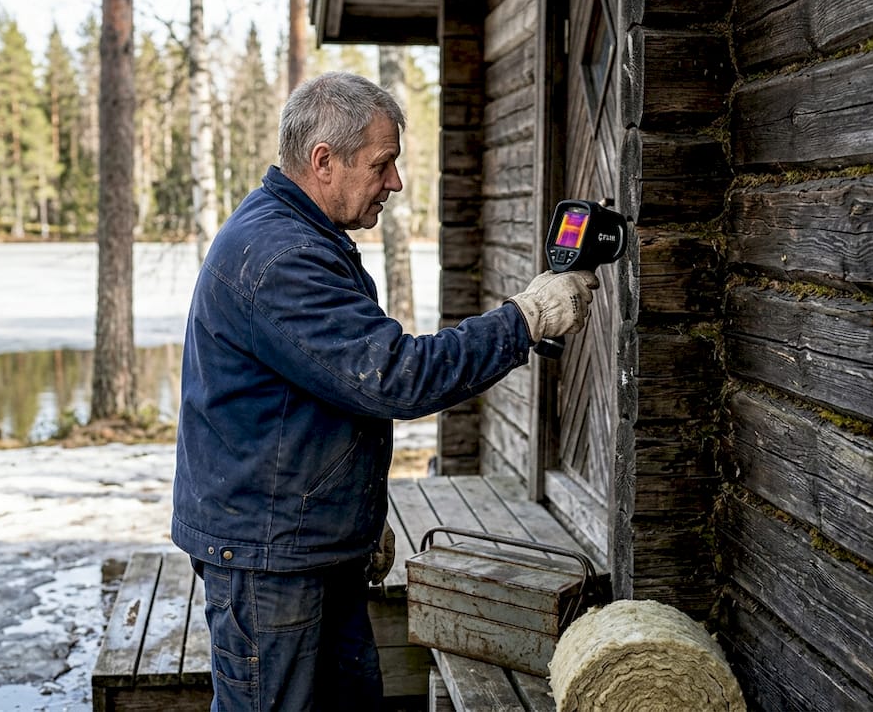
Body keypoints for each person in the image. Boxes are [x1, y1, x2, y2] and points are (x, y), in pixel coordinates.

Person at [172, 71, 599, 711]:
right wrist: (525, 320)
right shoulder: (280, 257)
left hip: (309, 544)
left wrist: (352, 520)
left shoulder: (299, 236)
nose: (394, 183)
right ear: (323, 162)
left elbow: (325, 397)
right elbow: (392, 376)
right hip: (271, 561)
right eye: (383, 164)